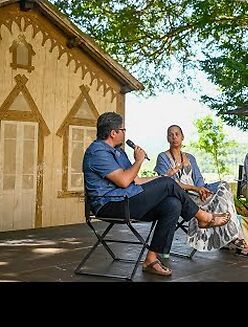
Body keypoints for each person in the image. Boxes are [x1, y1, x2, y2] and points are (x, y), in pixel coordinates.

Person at [82, 112, 231, 277]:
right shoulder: (97, 152)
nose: (125, 133)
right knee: (168, 185)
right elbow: (124, 181)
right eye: (123, 129)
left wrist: (164, 177)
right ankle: (203, 217)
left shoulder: (118, 152)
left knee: (172, 204)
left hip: (127, 200)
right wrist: (139, 161)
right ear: (113, 132)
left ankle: (151, 260)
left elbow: (136, 180)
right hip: (110, 205)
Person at [154, 124, 248, 258]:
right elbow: (169, 184)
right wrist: (196, 188)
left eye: (177, 134)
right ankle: (238, 241)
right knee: (222, 203)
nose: (174, 137)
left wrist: (203, 191)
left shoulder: (190, 158)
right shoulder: (163, 157)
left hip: (198, 193)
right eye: (171, 134)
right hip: (182, 197)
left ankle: (234, 239)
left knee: (224, 186)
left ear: (182, 137)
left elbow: (199, 179)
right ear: (167, 138)